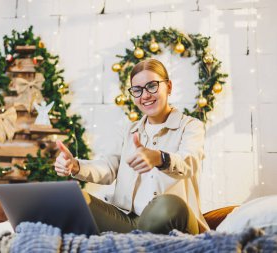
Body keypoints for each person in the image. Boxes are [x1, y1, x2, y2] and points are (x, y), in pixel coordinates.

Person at [54, 59, 209, 234]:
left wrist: (159, 158)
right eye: (137, 90)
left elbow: (189, 164)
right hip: (127, 222)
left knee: (168, 204)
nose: (145, 96)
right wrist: (76, 166)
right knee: (76, 200)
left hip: (172, 220)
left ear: (169, 87)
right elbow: (108, 167)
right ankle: (136, 241)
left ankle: (134, 240)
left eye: (152, 86)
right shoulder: (128, 130)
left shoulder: (190, 126)